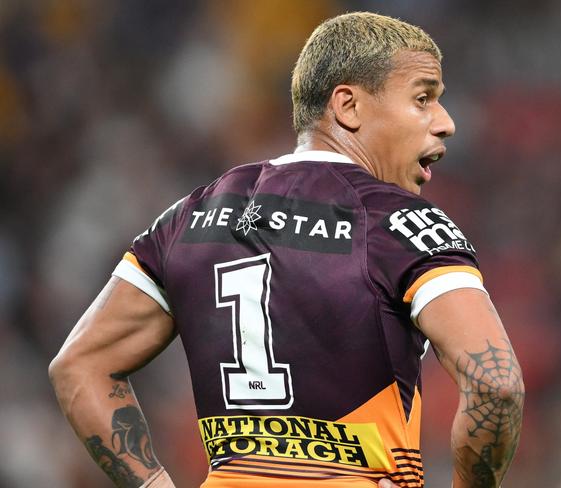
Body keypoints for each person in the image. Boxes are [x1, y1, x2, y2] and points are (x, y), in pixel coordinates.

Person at [49, 12, 524, 488]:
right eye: (423, 98)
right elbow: (495, 383)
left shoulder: (192, 215)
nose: (446, 123)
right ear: (348, 106)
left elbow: (80, 364)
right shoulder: (399, 222)